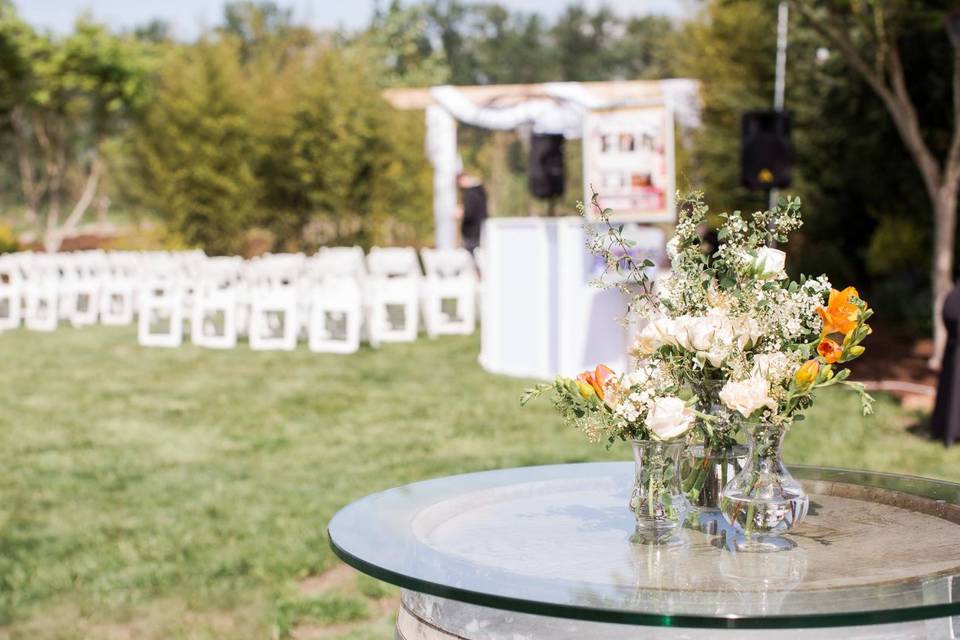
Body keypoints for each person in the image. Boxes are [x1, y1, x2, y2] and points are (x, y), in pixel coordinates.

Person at [457, 173, 487, 253]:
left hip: (471, 232)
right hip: (480, 230)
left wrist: (461, 213)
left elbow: (469, 213)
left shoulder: (470, 194)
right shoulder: (480, 191)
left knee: (472, 257)